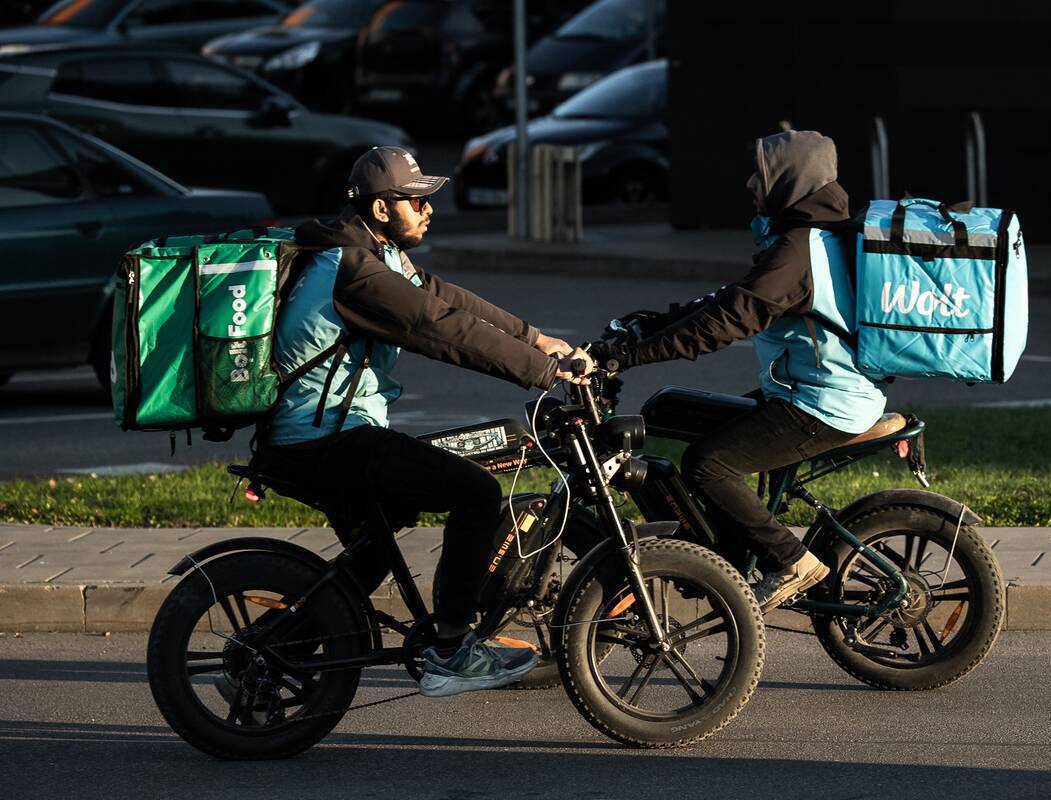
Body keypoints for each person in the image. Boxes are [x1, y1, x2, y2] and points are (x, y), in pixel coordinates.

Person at [250, 146, 593, 697]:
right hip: (324, 440)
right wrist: (545, 373)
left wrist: (537, 340)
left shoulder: (373, 253)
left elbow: (443, 297)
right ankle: (453, 647)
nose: (429, 209)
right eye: (416, 200)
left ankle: (273, 651)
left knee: (373, 551)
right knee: (475, 492)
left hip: (331, 434)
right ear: (382, 209)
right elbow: (438, 327)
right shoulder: (353, 270)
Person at [591, 130, 887, 610]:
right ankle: (723, 557)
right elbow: (731, 300)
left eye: (763, 175)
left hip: (823, 401)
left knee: (709, 464)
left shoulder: (798, 251)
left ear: (792, 181)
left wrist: (628, 356)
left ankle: (792, 561)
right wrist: (651, 323)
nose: (752, 184)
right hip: (802, 389)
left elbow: (725, 324)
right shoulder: (805, 237)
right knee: (668, 410)